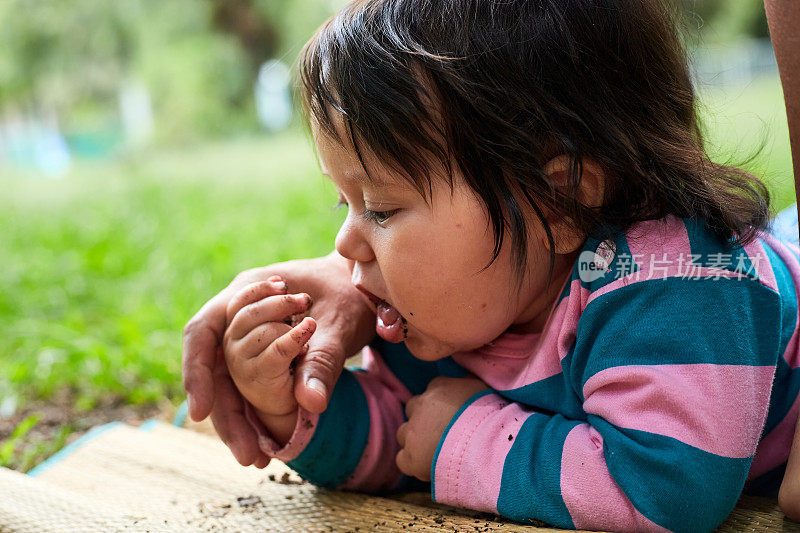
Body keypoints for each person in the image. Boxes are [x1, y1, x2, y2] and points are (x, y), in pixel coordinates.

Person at [185, 0, 800, 530]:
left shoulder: (679, 281)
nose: (343, 244)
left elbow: (668, 487)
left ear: (559, 201)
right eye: (342, 201)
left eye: (381, 207)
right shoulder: (454, 309)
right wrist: (291, 405)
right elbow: (402, 436)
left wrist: (467, 442)